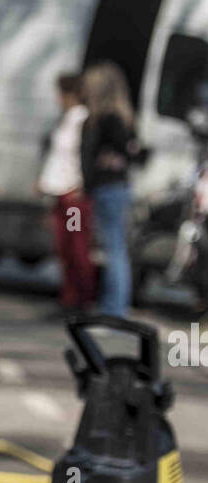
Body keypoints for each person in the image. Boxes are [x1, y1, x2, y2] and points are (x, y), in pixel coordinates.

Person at [80, 61, 142, 317]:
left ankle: (114, 308)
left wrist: (109, 159)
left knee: (114, 249)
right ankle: (113, 305)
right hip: (116, 188)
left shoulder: (107, 120)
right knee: (115, 248)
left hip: (109, 190)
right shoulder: (123, 117)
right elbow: (135, 150)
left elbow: (128, 151)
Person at [37, 72, 95, 312]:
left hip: (73, 195)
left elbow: (84, 156)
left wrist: (79, 184)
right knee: (63, 247)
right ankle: (69, 297)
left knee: (77, 247)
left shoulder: (83, 120)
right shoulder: (66, 119)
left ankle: (82, 298)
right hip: (59, 191)